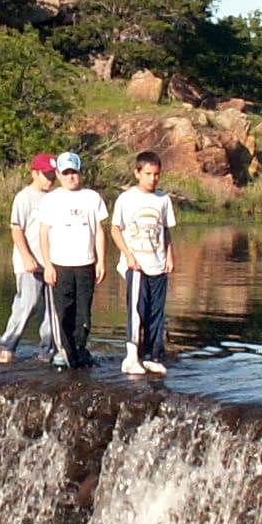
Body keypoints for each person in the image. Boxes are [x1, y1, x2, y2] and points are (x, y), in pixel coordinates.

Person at [33, 150, 110, 370]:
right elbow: (43, 233)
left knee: (83, 313)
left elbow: (99, 231)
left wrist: (101, 261)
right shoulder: (51, 199)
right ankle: (64, 351)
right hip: (60, 265)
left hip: (85, 264)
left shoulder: (92, 197)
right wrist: (47, 264)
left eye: (73, 172)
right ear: (58, 174)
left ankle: (80, 349)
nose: (70, 177)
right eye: (65, 173)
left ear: (80, 173)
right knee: (63, 312)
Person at [111, 150, 176, 375]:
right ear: (137, 173)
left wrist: (169, 255)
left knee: (156, 312)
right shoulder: (126, 199)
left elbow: (165, 230)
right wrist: (128, 255)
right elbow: (115, 229)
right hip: (137, 264)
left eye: (156, 174)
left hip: (158, 263)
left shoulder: (163, 200)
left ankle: (152, 355)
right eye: (148, 174)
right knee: (137, 310)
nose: (152, 178)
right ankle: (131, 356)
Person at [0, 152, 58, 364]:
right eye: (46, 175)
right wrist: (27, 256)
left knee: (51, 310)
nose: (50, 179)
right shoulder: (25, 196)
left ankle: (47, 349)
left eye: (52, 175)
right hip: (28, 262)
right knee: (27, 303)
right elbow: (16, 229)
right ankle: (6, 343)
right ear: (34, 174)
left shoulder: (55, 197)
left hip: (50, 262)